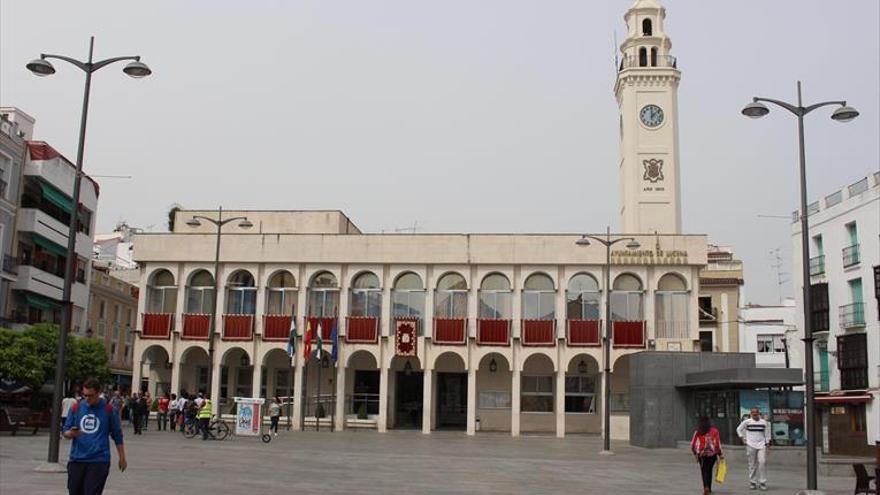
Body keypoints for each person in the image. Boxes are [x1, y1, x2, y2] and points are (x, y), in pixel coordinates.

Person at [62, 378, 127, 495]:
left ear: (98, 393)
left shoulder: (109, 410)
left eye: (90, 395)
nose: (87, 398)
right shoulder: (76, 408)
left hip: (98, 460)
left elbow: (117, 435)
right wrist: (71, 434)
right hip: (77, 460)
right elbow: (65, 431)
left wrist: (122, 457)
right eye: (84, 395)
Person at [737, 406, 772, 491]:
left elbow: (767, 434)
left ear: (758, 413)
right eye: (753, 413)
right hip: (750, 445)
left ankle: (762, 482)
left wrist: (768, 445)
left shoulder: (764, 422)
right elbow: (738, 429)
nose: (755, 414)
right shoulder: (747, 422)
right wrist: (742, 438)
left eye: (756, 413)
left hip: (761, 445)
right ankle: (752, 482)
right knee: (752, 464)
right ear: (751, 414)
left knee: (762, 462)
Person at [691, 416, 724, 495]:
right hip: (712, 455)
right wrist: (720, 454)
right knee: (709, 470)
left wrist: (695, 453)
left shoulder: (698, 431)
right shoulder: (714, 431)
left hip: (701, 455)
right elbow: (717, 444)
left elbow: (692, 444)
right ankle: (709, 488)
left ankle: (706, 487)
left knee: (704, 471)